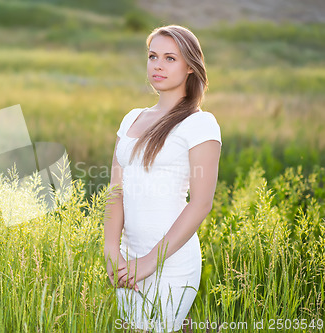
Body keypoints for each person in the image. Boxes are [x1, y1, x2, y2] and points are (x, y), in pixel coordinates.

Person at [104, 25, 222, 333]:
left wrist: (148, 262)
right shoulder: (131, 118)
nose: (157, 64)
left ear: (190, 68)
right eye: (153, 56)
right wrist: (111, 252)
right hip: (127, 256)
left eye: (170, 58)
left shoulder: (200, 124)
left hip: (170, 260)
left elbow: (201, 203)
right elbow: (115, 191)